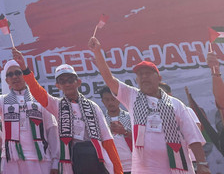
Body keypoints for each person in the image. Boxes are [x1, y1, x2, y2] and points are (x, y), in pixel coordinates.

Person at [89, 36, 209, 174]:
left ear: (159, 78)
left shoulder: (176, 104)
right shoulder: (132, 97)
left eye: (147, 73)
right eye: (140, 75)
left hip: (177, 169)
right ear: (137, 80)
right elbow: (109, 80)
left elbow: (192, 136)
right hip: (144, 170)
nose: (144, 77)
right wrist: (97, 52)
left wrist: (202, 164)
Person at [12, 49, 122, 174]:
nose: (67, 84)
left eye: (70, 80)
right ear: (58, 85)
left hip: (96, 159)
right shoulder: (57, 105)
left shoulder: (93, 106)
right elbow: (37, 91)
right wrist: (25, 69)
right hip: (71, 161)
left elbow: (107, 139)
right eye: (62, 81)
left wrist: (118, 171)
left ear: (78, 82)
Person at [0, 60, 59, 174]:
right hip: (12, 160)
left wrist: (55, 162)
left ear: (25, 75)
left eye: (18, 72)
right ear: (7, 80)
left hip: (40, 159)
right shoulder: (3, 100)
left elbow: (52, 131)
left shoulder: (40, 99)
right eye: (10, 74)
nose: (14, 76)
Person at [98, 87, 132, 174]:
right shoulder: (101, 121)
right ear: (102, 101)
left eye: (113, 99)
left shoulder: (130, 117)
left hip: (133, 165)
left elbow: (141, 139)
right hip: (112, 167)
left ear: (119, 99)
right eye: (107, 99)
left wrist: (125, 132)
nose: (110, 102)